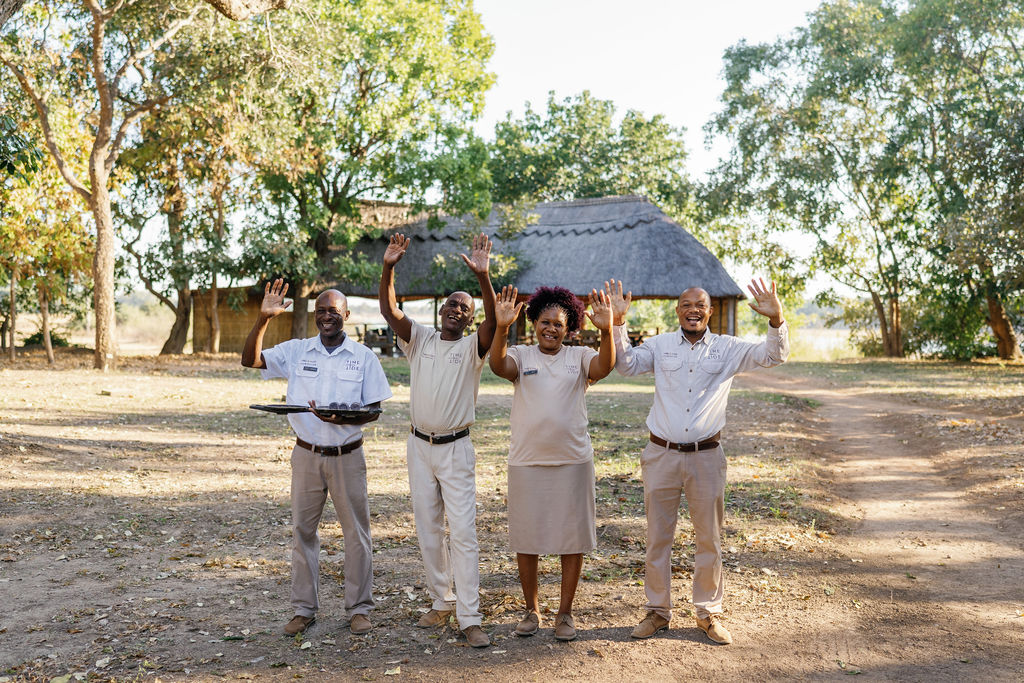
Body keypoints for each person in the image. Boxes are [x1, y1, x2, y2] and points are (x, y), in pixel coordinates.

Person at [607, 277, 789, 645]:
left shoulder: (727, 348)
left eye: (700, 305)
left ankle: (708, 613)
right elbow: (625, 365)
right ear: (677, 311)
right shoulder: (659, 346)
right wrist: (618, 323)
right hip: (661, 455)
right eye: (687, 305)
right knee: (658, 538)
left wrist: (776, 319)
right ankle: (657, 612)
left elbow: (773, 355)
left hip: (706, 457)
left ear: (710, 311)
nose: (694, 310)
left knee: (709, 539)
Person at [241, 279, 392, 637]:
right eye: (321, 311)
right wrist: (263, 319)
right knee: (303, 532)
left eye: (334, 311)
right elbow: (251, 360)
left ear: (346, 316)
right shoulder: (298, 351)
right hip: (306, 454)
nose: (327, 317)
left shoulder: (363, 357)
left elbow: (373, 411)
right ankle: (303, 610)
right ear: (314, 315)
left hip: (347, 456)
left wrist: (343, 419)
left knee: (356, 534)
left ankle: (359, 608)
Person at [377, 232, 496, 649]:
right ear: (441, 310)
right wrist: (389, 267)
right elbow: (389, 310)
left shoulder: (473, 348)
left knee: (463, 533)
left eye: (464, 308)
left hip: (456, 448)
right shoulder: (421, 339)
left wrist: (483, 276)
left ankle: (470, 616)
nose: (456, 310)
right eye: (451, 305)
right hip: (418, 446)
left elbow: (495, 323)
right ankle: (441, 601)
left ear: (469, 319)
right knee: (428, 529)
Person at [488, 283, 616, 642]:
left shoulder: (580, 357)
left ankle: (565, 613)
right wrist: (501, 327)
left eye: (558, 324)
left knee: (571, 539)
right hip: (527, 462)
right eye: (545, 322)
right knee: (527, 538)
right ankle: (532, 610)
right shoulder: (521, 355)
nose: (551, 329)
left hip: (573, 462)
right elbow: (498, 366)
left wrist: (607, 331)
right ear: (534, 323)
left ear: (569, 327)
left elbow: (605, 366)